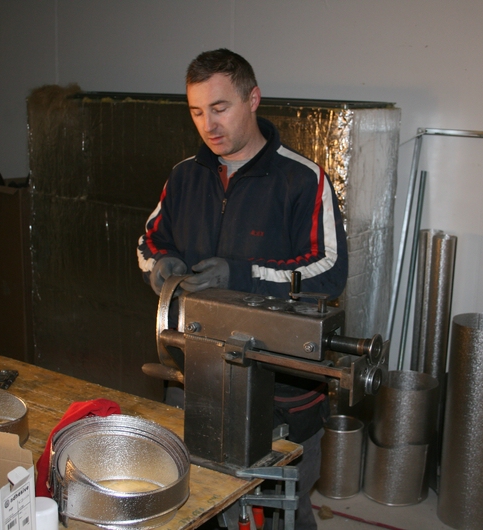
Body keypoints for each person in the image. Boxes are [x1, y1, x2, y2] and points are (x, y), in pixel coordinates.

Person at [137, 48, 348, 530]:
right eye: (196, 112)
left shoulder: (302, 180)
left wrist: (241, 275)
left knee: (282, 510)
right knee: (195, 501)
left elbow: (329, 271)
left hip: (281, 388)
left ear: (253, 99)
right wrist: (159, 264)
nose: (208, 125)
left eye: (220, 108)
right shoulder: (185, 176)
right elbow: (149, 241)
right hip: (196, 374)